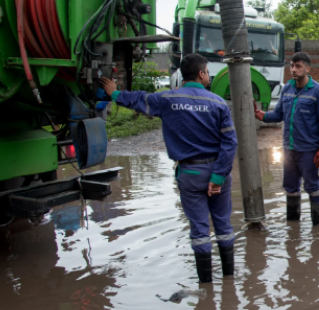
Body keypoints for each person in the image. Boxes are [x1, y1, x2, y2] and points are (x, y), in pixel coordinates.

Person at [99, 54, 237, 283]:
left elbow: (139, 100)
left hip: (190, 174)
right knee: (223, 224)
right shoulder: (218, 102)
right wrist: (218, 176)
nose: (209, 76)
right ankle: (229, 281)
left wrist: (114, 93)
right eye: (207, 72)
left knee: (200, 231)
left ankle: (206, 287)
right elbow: (230, 143)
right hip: (217, 172)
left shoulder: (167, 99)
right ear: (201, 74)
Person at [254, 52, 319, 226]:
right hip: (289, 149)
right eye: (292, 66)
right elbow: (278, 114)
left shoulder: (318, 91)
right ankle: (293, 227)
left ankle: (317, 228)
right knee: (290, 188)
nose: (294, 70)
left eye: (298, 66)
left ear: (307, 68)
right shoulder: (287, 89)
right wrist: (261, 115)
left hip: (308, 150)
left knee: (312, 187)